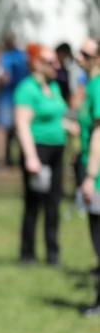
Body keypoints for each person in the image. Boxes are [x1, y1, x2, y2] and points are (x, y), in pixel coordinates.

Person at [13, 43, 69, 266]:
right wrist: (31, 157)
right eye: (50, 61)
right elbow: (22, 124)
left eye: (56, 61)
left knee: (54, 203)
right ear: (36, 63)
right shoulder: (27, 89)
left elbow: (55, 116)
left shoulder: (54, 87)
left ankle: (53, 254)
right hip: (38, 151)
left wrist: (68, 126)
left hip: (57, 150)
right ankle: (28, 254)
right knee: (34, 204)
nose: (56, 65)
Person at [76, 37, 100, 315]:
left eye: (85, 53)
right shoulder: (90, 86)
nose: (79, 57)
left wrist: (90, 177)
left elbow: (98, 134)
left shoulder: (97, 86)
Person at [0, 34, 30, 166]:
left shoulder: (6, 57)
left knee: (1, 129)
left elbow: (6, 78)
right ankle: (23, 159)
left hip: (8, 96)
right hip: (22, 95)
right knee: (21, 127)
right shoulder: (23, 55)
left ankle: (0, 161)